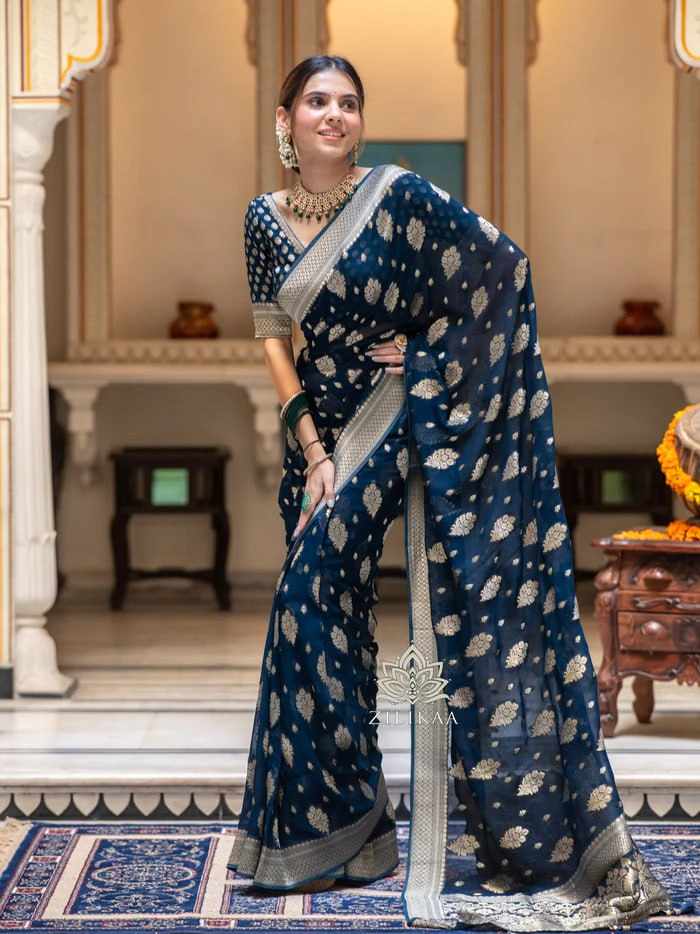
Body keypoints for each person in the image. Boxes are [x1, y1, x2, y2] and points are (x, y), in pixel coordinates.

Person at [228, 54, 674, 930]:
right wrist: (310, 444)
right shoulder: (261, 219)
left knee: (301, 600)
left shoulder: (397, 196)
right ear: (286, 120)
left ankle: (489, 832)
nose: (334, 115)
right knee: (326, 619)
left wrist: (429, 353)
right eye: (317, 101)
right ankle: (345, 836)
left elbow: (504, 272)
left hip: (396, 413)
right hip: (318, 433)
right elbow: (274, 335)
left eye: (348, 103)